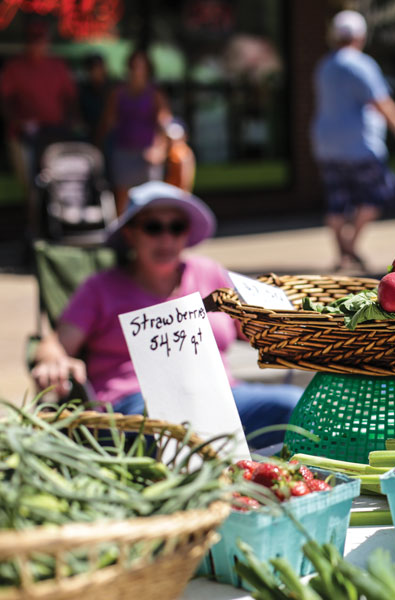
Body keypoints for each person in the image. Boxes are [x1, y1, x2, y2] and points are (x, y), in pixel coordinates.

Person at [30, 181, 301, 448]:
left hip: (222, 395)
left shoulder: (209, 273)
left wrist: (287, 322)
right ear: (130, 234)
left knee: (296, 407)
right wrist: (55, 362)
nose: (166, 238)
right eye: (153, 227)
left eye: (176, 227)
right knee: (174, 429)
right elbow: (54, 344)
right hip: (137, 404)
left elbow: (255, 331)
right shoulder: (100, 288)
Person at [311, 10, 395, 272]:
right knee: (377, 194)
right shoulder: (361, 64)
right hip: (360, 145)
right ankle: (350, 245)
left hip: (326, 144)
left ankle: (343, 253)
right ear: (360, 36)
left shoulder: (324, 65)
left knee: (337, 200)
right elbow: (381, 101)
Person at [0, 19, 77, 234]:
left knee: (57, 182)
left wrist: (71, 124)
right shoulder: (14, 67)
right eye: (32, 40)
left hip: (54, 135)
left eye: (40, 39)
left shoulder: (57, 66)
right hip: (24, 136)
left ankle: (59, 227)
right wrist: (17, 121)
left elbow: (70, 99)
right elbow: (5, 101)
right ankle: (33, 230)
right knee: (33, 188)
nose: (37, 44)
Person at [98, 49, 170, 214]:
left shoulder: (155, 94)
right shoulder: (118, 93)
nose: (137, 70)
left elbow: (164, 123)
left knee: (150, 200)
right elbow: (108, 122)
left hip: (147, 154)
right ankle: (123, 236)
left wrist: (159, 149)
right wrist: (97, 145)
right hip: (123, 150)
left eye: (141, 66)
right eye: (134, 66)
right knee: (122, 200)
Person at [163, 118, 196, 192]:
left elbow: (183, 183)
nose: (172, 142)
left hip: (175, 196)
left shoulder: (182, 154)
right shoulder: (167, 153)